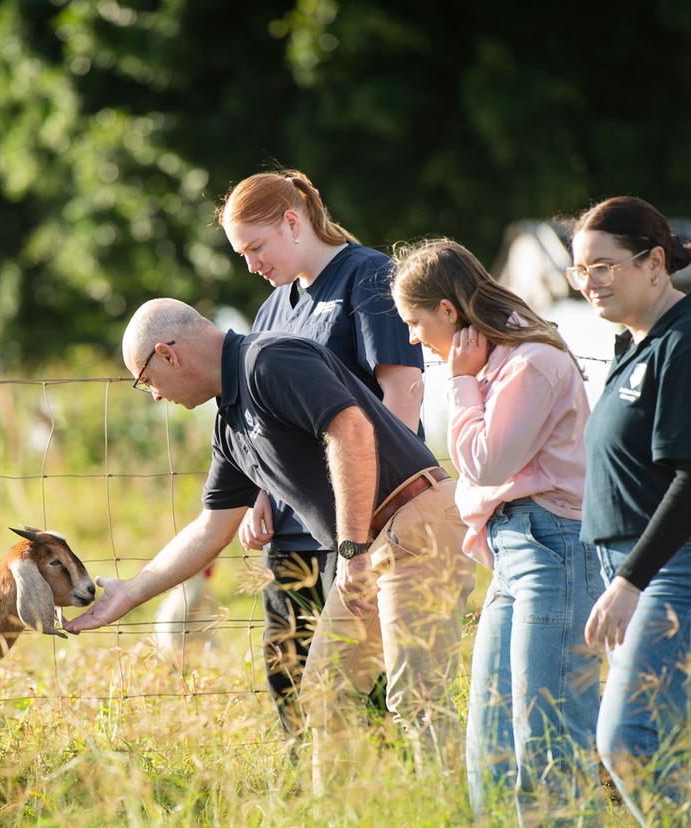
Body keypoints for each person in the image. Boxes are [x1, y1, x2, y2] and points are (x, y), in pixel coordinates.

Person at [64, 297, 474, 784]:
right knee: (326, 692)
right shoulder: (230, 422)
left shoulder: (270, 359)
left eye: (146, 380)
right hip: (375, 543)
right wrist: (129, 592)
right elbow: (211, 527)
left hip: (412, 522)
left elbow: (351, 431)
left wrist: (350, 550)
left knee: (416, 697)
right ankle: (343, 817)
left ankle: (461, 811)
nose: (153, 395)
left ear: (167, 355)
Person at [391, 239, 605, 825]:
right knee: (490, 738)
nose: (412, 338)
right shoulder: (498, 364)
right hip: (517, 553)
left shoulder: (530, 362)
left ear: (448, 312)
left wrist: (460, 383)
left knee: (549, 732)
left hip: (552, 550)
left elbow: (486, 462)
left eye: (414, 321)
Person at [216, 169, 425, 736]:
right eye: (241, 253)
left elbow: (402, 392)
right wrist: (261, 491)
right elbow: (272, 419)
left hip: (359, 528)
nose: (251, 265)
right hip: (290, 530)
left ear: (293, 220)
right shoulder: (270, 311)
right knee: (289, 681)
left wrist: (376, 509)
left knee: (360, 691)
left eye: (256, 247)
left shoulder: (371, 276)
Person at [568, 196, 691, 826]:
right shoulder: (632, 344)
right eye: (580, 271)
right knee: (668, 747)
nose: (589, 283)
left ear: (654, 263)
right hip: (635, 568)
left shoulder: (683, 339)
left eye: (604, 267)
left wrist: (630, 580)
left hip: (667, 569)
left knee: (629, 742)